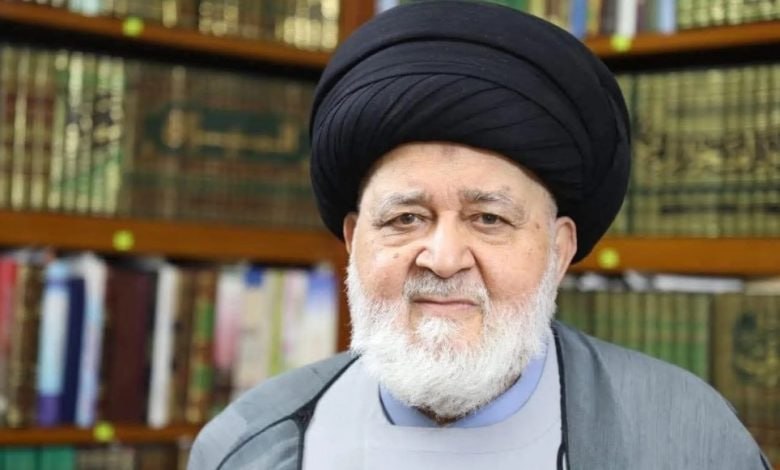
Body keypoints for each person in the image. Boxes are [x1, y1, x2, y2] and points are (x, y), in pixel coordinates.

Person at [188, 1, 771, 469]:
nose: (443, 260)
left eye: (489, 219)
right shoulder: (248, 444)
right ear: (353, 239)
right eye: (405, 218)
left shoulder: (686, 438)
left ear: (559, 250)